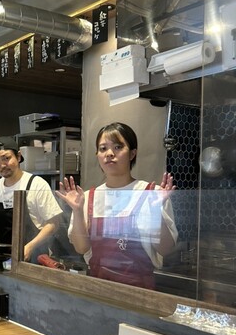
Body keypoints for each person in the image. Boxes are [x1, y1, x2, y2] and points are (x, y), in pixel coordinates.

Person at [56, 122, 178, 289]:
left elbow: (165, 249)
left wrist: (155, 210)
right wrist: (77, 211)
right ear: (97, 155)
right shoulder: (87, 197)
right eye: (103, 148)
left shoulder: (152, 194)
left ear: (132, 153)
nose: (109, 154)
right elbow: (81, 248)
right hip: (97, 288)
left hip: (139, 291)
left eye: (118, 147)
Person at [0, 138, 62, 261]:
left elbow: (54, 223)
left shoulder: (36, 184)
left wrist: (30, 247)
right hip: (4, 259)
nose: (2, 165)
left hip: (35, 258)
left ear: (18, 157)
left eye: (6, 158)